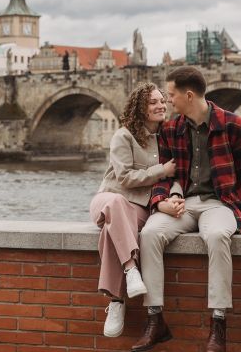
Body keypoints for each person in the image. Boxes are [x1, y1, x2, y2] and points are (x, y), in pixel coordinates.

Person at [132, 66, 241, 352]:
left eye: (171, 95)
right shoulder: (170, 129)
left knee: (218, 235)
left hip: (221, 203)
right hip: (182, 204)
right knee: (149, 234)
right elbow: (165, 176)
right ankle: (155, 319)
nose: (168, 101)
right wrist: (161, 202)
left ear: (189, 95)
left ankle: (218, 323)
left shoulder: (233, 125)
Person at [90, 83, 176, 338]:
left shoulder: (166, 138)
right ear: (140, 107)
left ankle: (116, 301)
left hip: (138, 207)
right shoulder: (123, 136)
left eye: (162, 100)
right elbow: (125, 178)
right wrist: (161, 170)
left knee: (112, 231)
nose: (160, 105)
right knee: (115, 207)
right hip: (109, 197)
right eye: (153, 102)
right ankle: (130, 270)